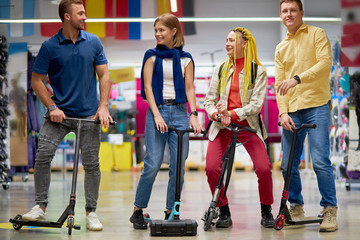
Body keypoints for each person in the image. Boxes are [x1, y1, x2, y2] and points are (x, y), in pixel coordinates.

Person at [21, 0, 112, 231]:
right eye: (80, 13)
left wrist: (103, 106)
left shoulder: (93, 42)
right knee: (43, 156)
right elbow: (36, 81)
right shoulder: (50, 46)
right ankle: (40, 207)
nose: (85, 17)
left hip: (89, 115)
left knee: (92, 164)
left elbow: (104, 75)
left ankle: (91, 211)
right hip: (58, 115)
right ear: (67, 16)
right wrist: (52, 107)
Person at [129, 13, 201, 230]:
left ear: (174, 31)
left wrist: (194, 114)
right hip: (157, 111)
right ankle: (138, 211)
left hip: (180, 112)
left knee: (178, 167)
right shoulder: (151, 56)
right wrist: (157, 115)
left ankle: (172, 210)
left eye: (162, 30)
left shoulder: (186, 58)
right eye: (156, 30)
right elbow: (148, 87)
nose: (158, 34)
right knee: (152, 163)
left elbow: (189, 89)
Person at [275, 0, 338, 232]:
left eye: (293, 10)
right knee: (286, 165)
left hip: (317, 105)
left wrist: (297, 78)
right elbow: (279, 84)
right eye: (284, 11)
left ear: (302, 13)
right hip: (291, 110)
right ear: (280, 15)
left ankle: (330, 209)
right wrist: (282, 112)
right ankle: (296, 206)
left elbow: (325, 63)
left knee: (320, 161)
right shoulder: (281, 47)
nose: (289, 14)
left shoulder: (317, 34)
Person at [204, 27, 274, 228]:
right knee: (211, 168)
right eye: (226, 40)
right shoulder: (221, 69)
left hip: (248, 126)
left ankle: (266, 210)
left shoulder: (257, 71)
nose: (227, 43)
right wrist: (217, 114)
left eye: (232, 40)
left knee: (264, 168)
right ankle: (223, 210)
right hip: (222, 127)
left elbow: (256, 105)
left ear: (244, 44)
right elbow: (209, 100)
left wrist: (232, 114)